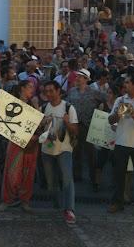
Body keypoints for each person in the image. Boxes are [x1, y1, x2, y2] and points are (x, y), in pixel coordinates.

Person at [107, 72, 134, 217]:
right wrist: (119, 113)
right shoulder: (120, 99)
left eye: (127, 82)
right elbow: (110, 120)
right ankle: (117, 202)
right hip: (121, 142)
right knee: (118, 175)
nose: (124, 85)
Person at [0, 81, 44, 212]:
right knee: (11, 172)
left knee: (28, 172)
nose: (32, 89)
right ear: (21, 89)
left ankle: (25, 201)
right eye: (29, 87)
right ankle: (7, 200)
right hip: (16, 143)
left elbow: (39, 124)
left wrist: (39, 112)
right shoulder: (12, 103)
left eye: (33, 87)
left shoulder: (34, 103)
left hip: (31, 143)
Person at [41, 80, 78, 224]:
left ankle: (69, 209)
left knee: (67, 179)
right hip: (47, 149)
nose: (48, 94)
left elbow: (76, 130)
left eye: (51, 91)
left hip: (64, 149)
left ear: (58, 91)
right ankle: (57, 204)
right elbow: (39, 128)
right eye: (46, 91)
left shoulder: (68, 107)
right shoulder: (44, 107)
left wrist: (67, 122)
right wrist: (43, 123)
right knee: (51, 182)